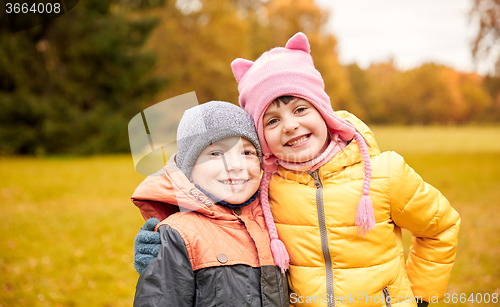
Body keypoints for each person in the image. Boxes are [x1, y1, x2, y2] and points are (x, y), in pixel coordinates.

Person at [134, 33, 460, 307]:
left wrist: (420, 297)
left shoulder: (384, 173)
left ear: (323, 111)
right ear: (262, 138)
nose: (290, 125)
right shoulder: (264, 187)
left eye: (300, 108)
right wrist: (164, 247)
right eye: (272, 120)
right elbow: (220, 220)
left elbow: (440, 228)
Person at [131, 101, 288, 307]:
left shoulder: (275, 219)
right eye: (216, 154)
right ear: (189, 169)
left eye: (247, 152)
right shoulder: (178, 235)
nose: (235, 165)